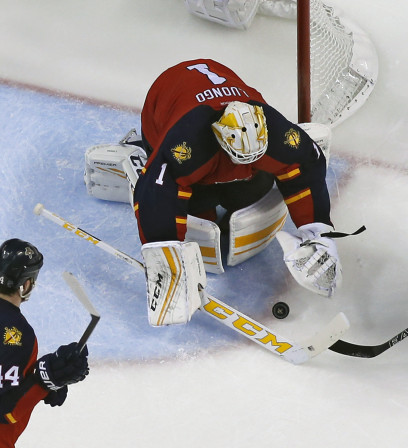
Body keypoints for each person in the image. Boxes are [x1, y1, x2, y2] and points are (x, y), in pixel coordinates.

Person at [83, 58, 343, 324]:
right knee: (197, 210)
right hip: (165, 103)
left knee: (252, 191)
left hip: (216, 105)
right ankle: (142, 153)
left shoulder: (276, 130)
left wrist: (317, 231)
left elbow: (307, 162)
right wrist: (167, 263)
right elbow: (156, 194)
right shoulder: (186, 143)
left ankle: (233, 172)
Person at [0, 239, 90, 447]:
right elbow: (5, 411)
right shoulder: (17, 334)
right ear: (26, 284)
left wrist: (43, 383)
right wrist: (43, 381)